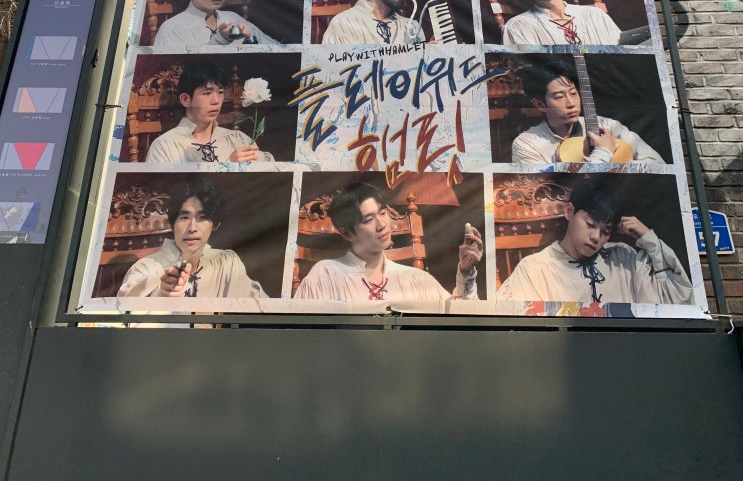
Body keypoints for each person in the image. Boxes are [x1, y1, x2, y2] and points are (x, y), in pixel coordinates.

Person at [496, 179, 693, 305]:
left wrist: (648, 239)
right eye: (590, 224)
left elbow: (675, 299)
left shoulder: (623, 258)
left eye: (606, 231)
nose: (596, 237)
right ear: (569, 212)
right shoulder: (535, 269)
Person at [294, 182, 483, 303]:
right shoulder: (325, 275)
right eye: (369, 220)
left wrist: (466, 271)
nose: (382, 224)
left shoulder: (414, 279)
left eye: (383, 213)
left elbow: (459, 319)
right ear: (347, 233)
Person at [118, 177, 267, 299]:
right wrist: (160, 295)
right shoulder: (145, 269)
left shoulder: (226, 262)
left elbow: (259, 306)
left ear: (215, 225)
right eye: (184, 217)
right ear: (173, 223)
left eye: (202, 218)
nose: (192, 228)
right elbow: (125, 312)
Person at [511, 62, 665, 170]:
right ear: (540, 104)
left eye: (573, 93)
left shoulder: (606, 125)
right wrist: (604, 152)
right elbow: (555, 188)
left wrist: (616, 169)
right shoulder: (527, 145)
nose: (571, 103)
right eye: (559, 97)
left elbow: (657, 163)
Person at [145, 61, 275, 169]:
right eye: (207, 93)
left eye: (220, 92)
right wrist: (228, 167)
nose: (216, 101)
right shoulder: (165, 146)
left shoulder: (238, 139)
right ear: (186, 99)